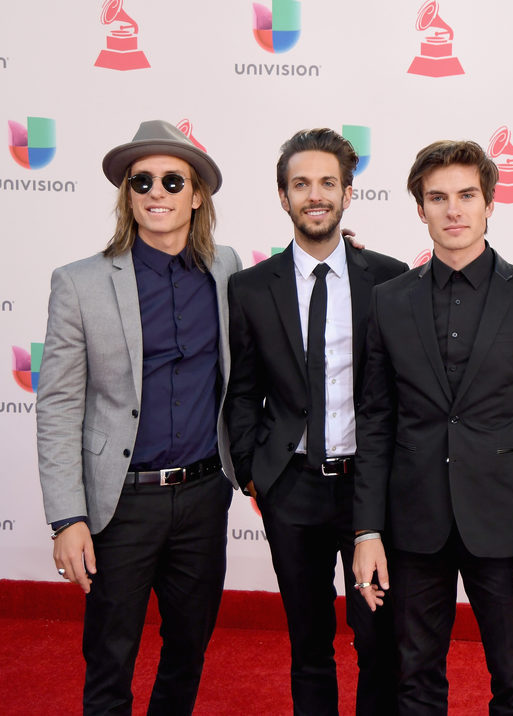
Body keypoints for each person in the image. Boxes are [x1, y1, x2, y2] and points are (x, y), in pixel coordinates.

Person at [352, 139, 513, 714]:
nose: (453, 210)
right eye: (438, 197)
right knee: (414, 680)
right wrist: (366, 531)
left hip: (507, 526)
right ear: (419, 208)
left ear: (490, 204)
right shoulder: (388, 301)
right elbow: (375, 423)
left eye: (467, 196)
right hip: (412, 523)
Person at [36, 119, 241, 715]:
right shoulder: (79, 284)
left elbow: (295, 281)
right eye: (141, 180)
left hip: (205, 496)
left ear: (197, 193)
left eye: (172, 180)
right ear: (127, 194)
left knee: (189, 648)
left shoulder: (226, 269)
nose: (156, 191)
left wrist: (348, 251)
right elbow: (57, 405)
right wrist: (67, 517)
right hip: (120, 505)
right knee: (109, 654)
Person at [224, 128, 405, 715]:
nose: (315, 194)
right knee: (309, 645)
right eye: (301, 184)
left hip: (370, 491)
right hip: (291, 487)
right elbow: (242, 391)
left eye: (328, 182)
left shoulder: (390, 278)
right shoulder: (249, 288)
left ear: (348, 193)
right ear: (283, 197)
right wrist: (255, 473)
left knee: (379, 641)